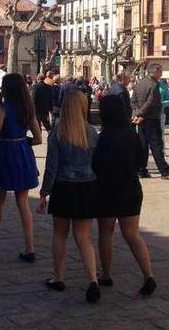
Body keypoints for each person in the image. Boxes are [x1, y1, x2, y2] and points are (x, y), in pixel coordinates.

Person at [37, 92, 101, 303]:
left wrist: (44, 192)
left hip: (64, 187)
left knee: (60, 234)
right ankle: (93, 280)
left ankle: (58, 277)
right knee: (83, 236)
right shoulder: (92, 132)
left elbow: (51, 166)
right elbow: (98, 164)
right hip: (87, 186)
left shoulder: (58, 131)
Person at [93, 94, 157, 297]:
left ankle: (107, 273)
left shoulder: (104, 137)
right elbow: (140, 161)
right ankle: (148, 275)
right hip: (130, 186)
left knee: (106, 231)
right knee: (132, 233)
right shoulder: (132, 134)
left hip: (106, 188)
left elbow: (96, 164)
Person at [0, 73, 43, 262]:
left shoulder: (4, 109)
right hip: (23, 151)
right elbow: (39, 139)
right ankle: (30, 247)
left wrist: (1, 140)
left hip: (7, 152)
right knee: (23, 202)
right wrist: (22, 142)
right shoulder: (28, 109)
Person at [131, 64, 169, 180]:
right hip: (151, 118)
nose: (161, 74)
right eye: (160, 71)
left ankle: (141, 170)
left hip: (142, 119)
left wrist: (137, 114)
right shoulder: (154, 84)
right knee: (156, 145)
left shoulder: (140, 83)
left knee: (143, 145)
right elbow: (151, 102)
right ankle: (164, 171)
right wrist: (140, 114)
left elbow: (133, 101)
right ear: (156, 72)